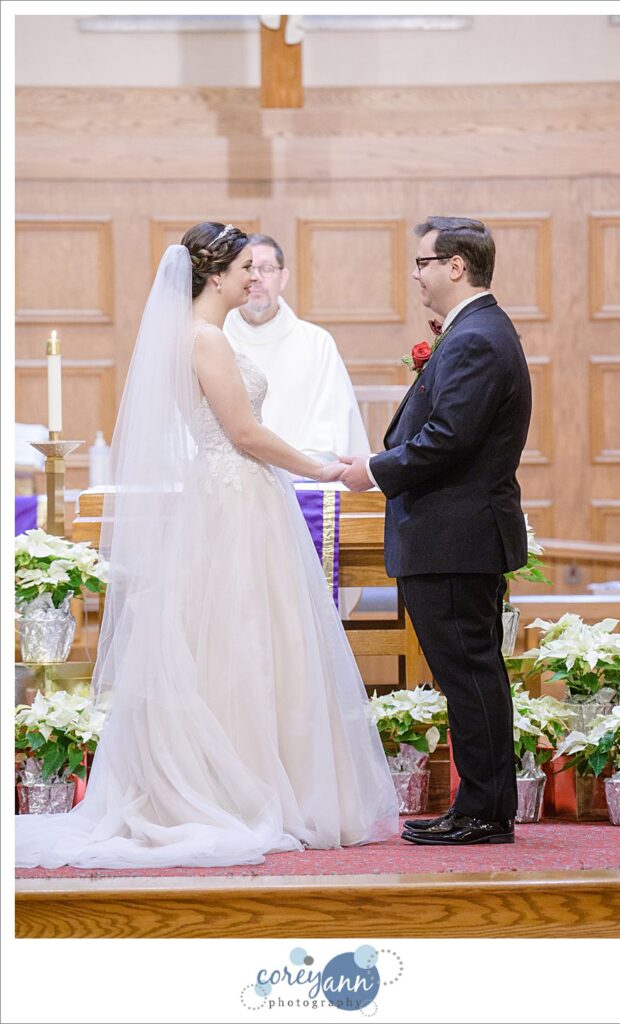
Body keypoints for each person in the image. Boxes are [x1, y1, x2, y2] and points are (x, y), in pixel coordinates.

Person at [15, 223, 399, 869]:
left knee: (237, 636)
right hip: (237, 498)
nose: (256, 279)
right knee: (244, 635)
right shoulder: (206, 339)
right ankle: (242, 787)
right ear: (214, 274)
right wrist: (325, 470)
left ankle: (257, 776)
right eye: (246, 267)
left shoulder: (184, 337)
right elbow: (245, 434)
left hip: (230, 496)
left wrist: (308, 458)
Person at [340, 216, 532, 847]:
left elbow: (449, 438)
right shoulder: (476, 331)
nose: (416, 274)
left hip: (455, 534)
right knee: (471, 674)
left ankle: (483, 813)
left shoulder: (476, 337)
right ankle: (482, 806)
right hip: (457, 533)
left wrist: (373, 470)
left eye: (423, 262)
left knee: (470, 676)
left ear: (456, 266)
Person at [223, 234, 370, 462]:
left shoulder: (316, 342)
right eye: (249, 268)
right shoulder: (217, 338)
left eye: (267, 269)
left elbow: (333, 423)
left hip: (303, 480)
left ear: (283, 278)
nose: (257, 278)